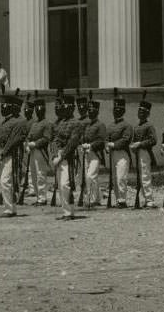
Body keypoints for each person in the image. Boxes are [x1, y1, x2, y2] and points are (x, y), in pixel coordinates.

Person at [0, 91, 27, 217]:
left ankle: (10, 209)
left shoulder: (19, 122)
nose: (2, 107)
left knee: (6, 181)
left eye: (4, 105)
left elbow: (12, 141)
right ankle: (11, 208)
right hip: (3, 156)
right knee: (6, 182)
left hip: (13, 155)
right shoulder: (3, 123)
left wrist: (0, 156)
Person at [50, 91, 81, 220]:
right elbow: (54, 140)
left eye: (67, 107)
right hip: (58, 157)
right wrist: (54, 154)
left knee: (65, 184)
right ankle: (65, 211)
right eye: (64, 106)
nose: (64, 109)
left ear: (72, 108)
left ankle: (69, 212)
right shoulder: (59, 123)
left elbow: (72, 143)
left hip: (69, 158)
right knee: (60, 185)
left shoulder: (76, 123)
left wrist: (60, 156)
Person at [129, 98, 157, 209]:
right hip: (138, 153)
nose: (140, 114)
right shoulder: (136, 126)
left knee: (145, 176)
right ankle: (145, 199)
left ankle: (149, 200)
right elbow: (133, 140)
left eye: (143, 112)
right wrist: (133, 146)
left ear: (147, 114)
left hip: (145, 152)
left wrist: (139, 144)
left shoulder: (149, 126)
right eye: (139, 111)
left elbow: (153, 140)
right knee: (140, 177)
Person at [25, 96, 53, 206]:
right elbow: (29, 136)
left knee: (41, 175)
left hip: (41, 152)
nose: (38, 111)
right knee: (34, 175)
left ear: (44, 109)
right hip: (32, 151)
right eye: (37, 109)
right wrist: (28, 144)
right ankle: (38, 197)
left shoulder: (47, 123)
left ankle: (42, 198)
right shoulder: (34, 124)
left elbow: (47, 138)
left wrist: (35, 144)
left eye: (40, 108)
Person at [106, 93, 132, 208]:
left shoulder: (127, 125)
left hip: (122, 154)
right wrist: (106, 145)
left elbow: (126, 140)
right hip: (112, 154)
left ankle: (122, 199)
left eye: (119, 109)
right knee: (115, 178)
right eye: (115, 109)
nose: (116, 111)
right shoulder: (111, 125)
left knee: (121, 177)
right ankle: (118, 199)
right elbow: (106, 137)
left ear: (123, 111)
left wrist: (113, 144)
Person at [81, 99, 107, 208]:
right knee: (92, 177)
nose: (90, 112)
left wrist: (91, 145)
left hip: (96, 154)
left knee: (90, 176)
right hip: (87, 153)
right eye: (89, 110)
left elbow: (101, 140)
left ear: (97, 112)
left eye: (92, 110)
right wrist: (83, 143)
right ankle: (96, 199)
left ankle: (91, 200)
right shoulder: (87, 125)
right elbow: (83, 137)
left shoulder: (100, 125)